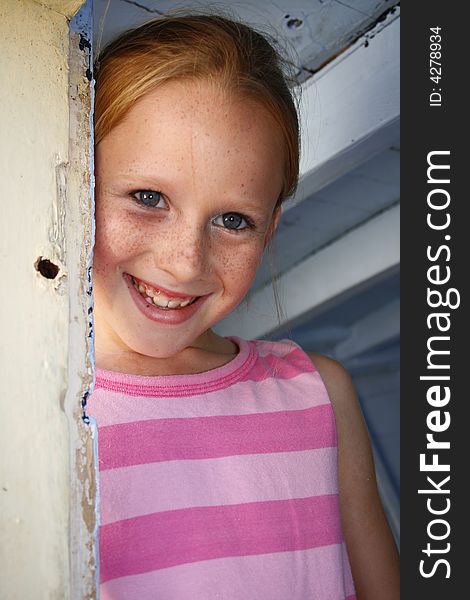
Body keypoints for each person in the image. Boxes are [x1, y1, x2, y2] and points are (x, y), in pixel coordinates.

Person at [88, 12, 400, 600]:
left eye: (233, 220)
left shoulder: (321, 394)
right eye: (148, 198)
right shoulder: (30, 415)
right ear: (77, 183)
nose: (185, 263)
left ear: (271, 228)